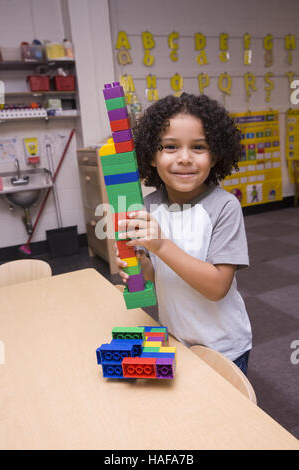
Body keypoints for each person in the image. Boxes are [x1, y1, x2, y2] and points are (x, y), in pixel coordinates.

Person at [115, 93, 252, 376]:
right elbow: (160, 274)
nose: (185, 158)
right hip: (176, 339)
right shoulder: (148, 206)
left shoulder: (224, 207)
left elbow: (217, 287)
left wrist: (162, 245)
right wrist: (142, 266)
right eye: (170, 147)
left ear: (215, 155)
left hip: (223, 348)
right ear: (152, 156)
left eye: (199, 147)